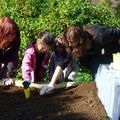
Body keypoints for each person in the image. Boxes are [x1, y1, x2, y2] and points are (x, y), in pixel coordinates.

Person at [40, 24, 120, 95]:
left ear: (80, 40)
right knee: (100, 76)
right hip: (96, 61)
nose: (70, 44)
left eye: (72, 42)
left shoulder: (101, 36)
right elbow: (62, 64)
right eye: (68, 42)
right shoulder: (72, 47)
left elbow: (118, 33)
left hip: (112, 55)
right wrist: (51, 84)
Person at [0, 17, 21, 86]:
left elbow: (12, 58)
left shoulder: (16, 39)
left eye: (14, 33)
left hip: (8, 58)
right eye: (10, 34)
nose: (13, 36)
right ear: (3, 32)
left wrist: (7, 76)